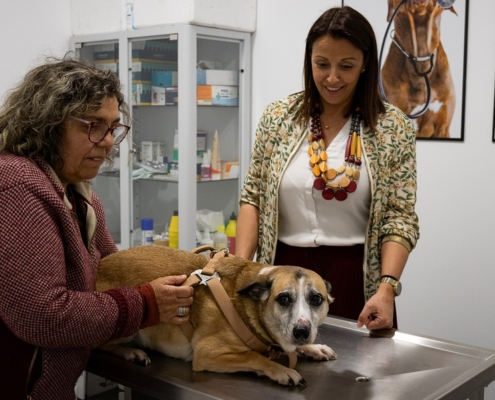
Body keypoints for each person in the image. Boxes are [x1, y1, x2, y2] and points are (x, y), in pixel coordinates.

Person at [0, 56, 194, 400]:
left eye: (113, 127)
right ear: (49, 123)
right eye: (92, 125)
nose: (107, 142)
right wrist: (147, 302)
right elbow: (43, 315)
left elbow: (114, 271)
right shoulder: (17, 184)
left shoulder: (78, 192)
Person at [236, 6, 419, 331]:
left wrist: (387, 288)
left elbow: (399, 217)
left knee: (355, 377)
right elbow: (253, 196)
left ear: (365, 65)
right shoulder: (279, 118)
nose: (332, 78)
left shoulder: (393, 128)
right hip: (281, 279)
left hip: (354, 279)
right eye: (322, 64)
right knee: (279, 374)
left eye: (346, 66)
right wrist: (239, 267)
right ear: (309, 61)